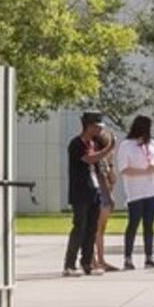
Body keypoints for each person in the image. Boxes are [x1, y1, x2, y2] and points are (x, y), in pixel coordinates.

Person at [118, 114, 154, 270]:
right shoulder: (126, 145)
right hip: (135, 191)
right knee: (133, 223)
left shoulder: (152, 144)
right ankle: (128, 258)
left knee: (149, 224)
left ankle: (149, 257)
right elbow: (124, 169)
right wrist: (143, 171)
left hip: (152, 190)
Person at [64, 112, 111, 276]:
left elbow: (98, 169)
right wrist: (109, 148)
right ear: (89, 126)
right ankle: (69, 265)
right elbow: (89, 159)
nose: (99, 130)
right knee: (80, 227)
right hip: (80, 192)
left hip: (94, 191)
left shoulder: (94, 144)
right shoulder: (76, 144)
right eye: (97, 127)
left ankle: (87, 263)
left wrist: (106, 192)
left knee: (92, 228)